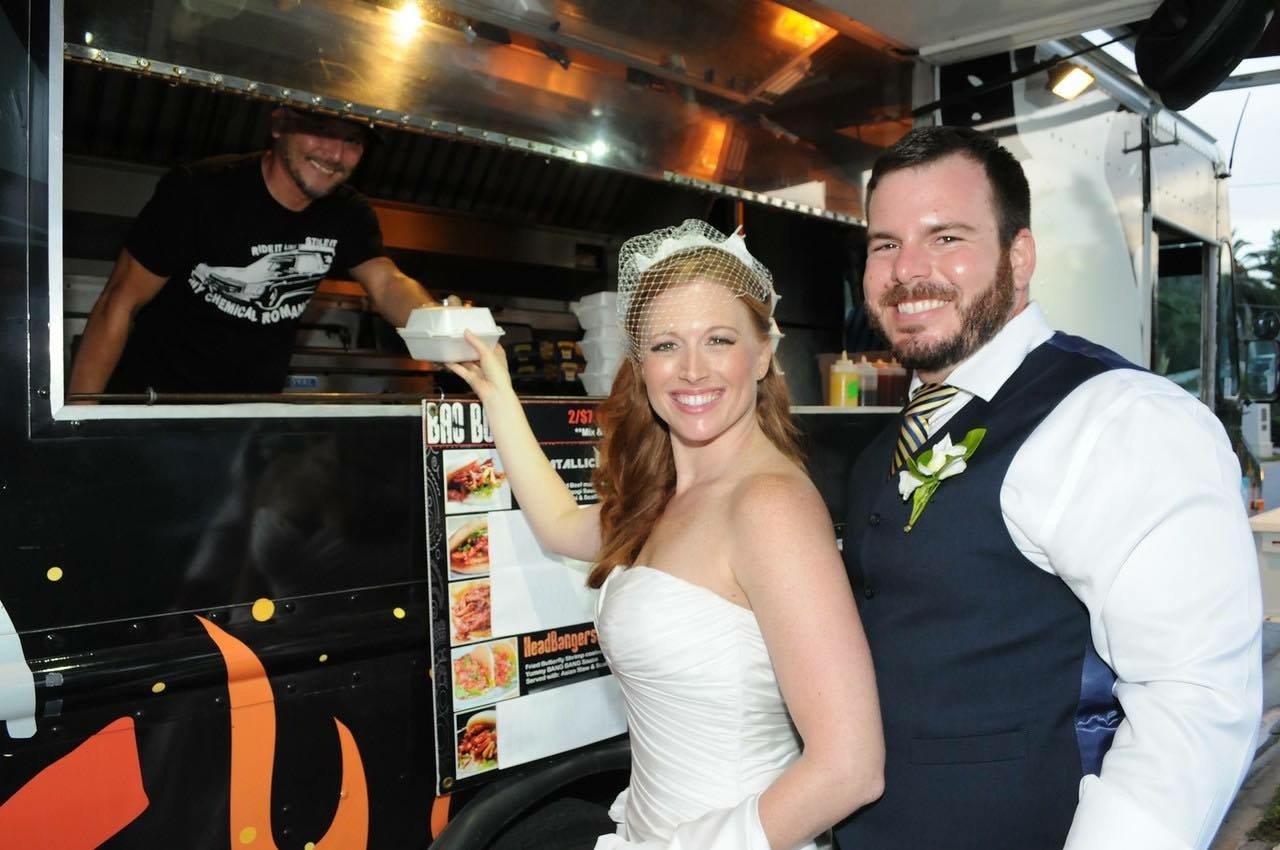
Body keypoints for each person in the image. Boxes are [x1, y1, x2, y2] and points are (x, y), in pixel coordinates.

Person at [836, 126, 1261, 850]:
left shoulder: (1122, 417)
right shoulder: (881, 447)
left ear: (1020, 255)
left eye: (946, 237)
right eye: (885, 244)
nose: (908, 270)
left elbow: (1192, 706)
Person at [449, 219, 884, 849]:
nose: (692, 371)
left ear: (763, 353)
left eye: (719, 339)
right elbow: (561, 524)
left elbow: (850, 769)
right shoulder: (665, 499)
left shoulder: (769, 506)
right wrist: (497, 390)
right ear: (639, 364)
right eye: (664, 346)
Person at [68, 106, 439, 396]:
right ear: (278, 125)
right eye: (321, 130)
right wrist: (79, 417)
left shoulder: (348, 212)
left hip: (249, 416)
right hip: (158, 401)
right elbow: (118, 302)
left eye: (352, 140)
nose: (335, 154)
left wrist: (440, 326)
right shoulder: (200, 190)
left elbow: (387, 282)